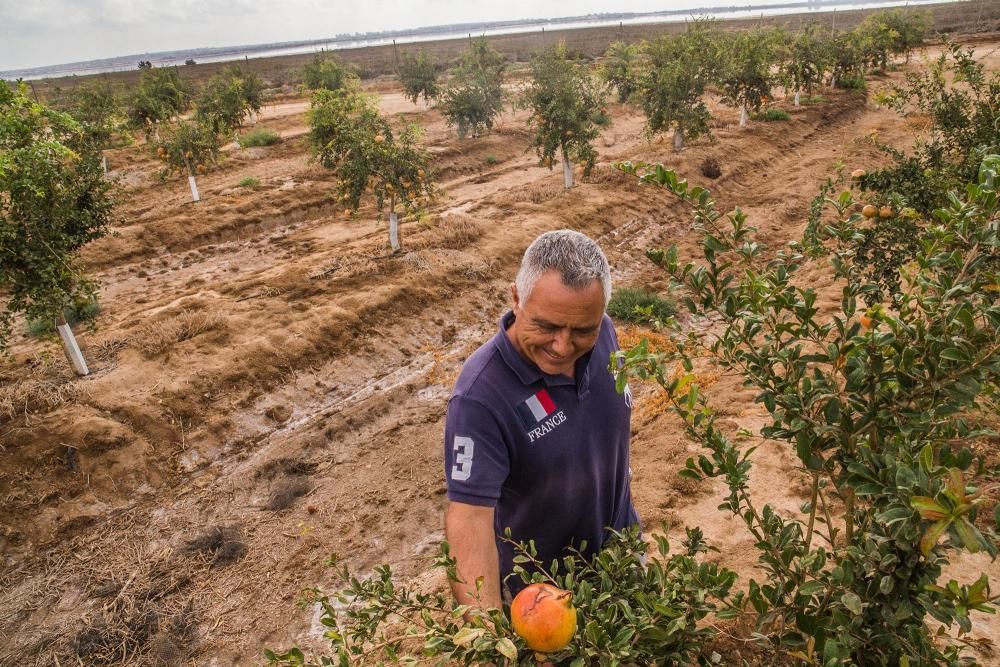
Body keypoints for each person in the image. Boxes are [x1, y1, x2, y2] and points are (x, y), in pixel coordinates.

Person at [443, 229, 639, 610]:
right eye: (546, 326)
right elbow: (469, 519)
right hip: (541, 599)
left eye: (582, 330)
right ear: (517, 298)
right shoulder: (480, 397)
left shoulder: (605, 335)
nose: (563, 347)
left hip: (623, 556)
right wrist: (489, 633)